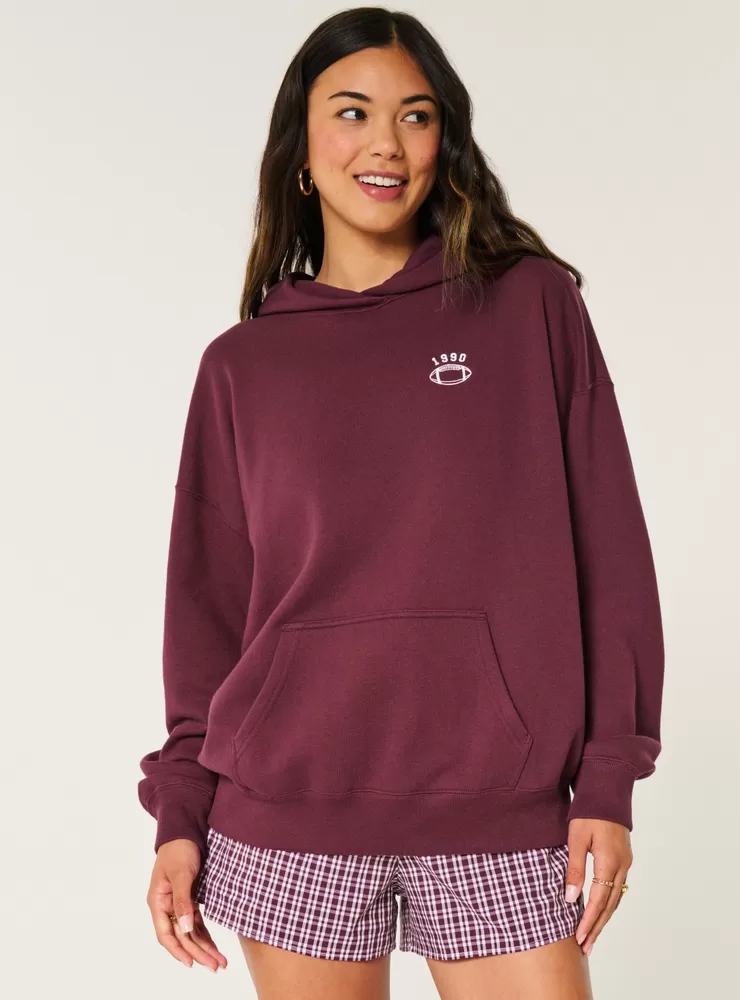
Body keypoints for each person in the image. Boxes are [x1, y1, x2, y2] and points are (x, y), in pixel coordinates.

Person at [138, 7, 665, 999]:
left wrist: (607, 779)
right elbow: (206, 610)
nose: (384, 142)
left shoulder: (528, 306)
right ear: (301, 148)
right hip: (285, 814)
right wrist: (180, 808)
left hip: (501, 809)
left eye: (415, 117)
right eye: (352, 112)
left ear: (442, 144)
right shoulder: (243, 365)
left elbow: (610, 551)